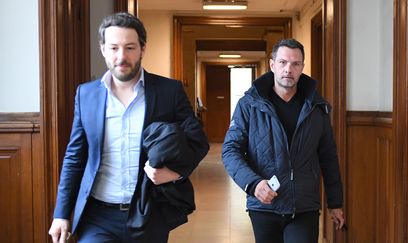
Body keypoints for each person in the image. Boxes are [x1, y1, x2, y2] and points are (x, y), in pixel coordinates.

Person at [48, 12, 209, 243]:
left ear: (142, 49)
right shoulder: (86, 94)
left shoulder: (168, 92)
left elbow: (198, 141)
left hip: (148, 211)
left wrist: (176, 173)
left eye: (130, 48)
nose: (121, 56)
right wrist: (61, 214)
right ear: (103, 49)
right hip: (98, 216)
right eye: (114, 48)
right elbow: (74, 157)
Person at [222, 38, 345, 243]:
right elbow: (230, 150)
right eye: (283, 62)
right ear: (272, 65)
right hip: (264, 206)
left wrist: (335, 202)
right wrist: (253, 184)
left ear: (302, 67)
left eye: (296, 64)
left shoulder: (317, 107)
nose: (289, 69)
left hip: (304, 206)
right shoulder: (249, 105)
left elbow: (328, 157)